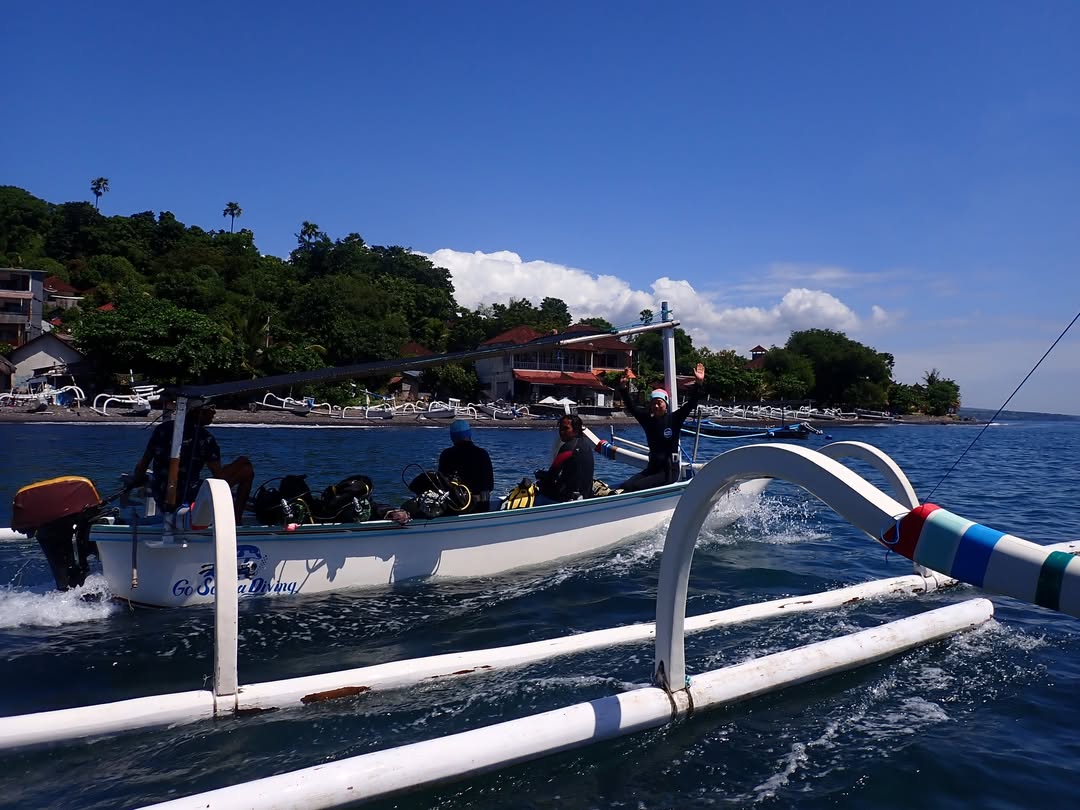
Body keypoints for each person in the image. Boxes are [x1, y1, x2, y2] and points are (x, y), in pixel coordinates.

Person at [131, 400, 254, 521]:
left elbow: (143, 464)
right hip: (184, 496)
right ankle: (237, 519)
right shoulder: (205, 439)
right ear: (197, 412)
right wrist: (240, 463)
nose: (214, 412)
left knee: (242, 464)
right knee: (246, 470)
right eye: (210, 408)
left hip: (160, 492)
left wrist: (138, 479)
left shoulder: (162, 430)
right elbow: (219, 476)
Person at [616, 362, 706, 492]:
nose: (656, 406)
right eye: (653, 403)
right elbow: (631, 407)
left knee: (636, 487)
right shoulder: (648, 420)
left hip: (669, 472)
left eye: (659, 403)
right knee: (625, 486)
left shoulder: (674, 419)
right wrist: (623, 387)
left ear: (666, 404)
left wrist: (699, 383)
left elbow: (691, 404)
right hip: (652, 469)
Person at [534, 413, 594, 504]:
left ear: (576, 430)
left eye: (566, 428)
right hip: (586, 494)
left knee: (538, 486)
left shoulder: (568, 448)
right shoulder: (586, 445)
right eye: (560, 429)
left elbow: (552, 475)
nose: (561, 432)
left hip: (569, 497)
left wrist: (540, 475)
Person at [437, 419, 495, 513]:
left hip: (455, 508)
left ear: (452, 437)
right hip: (481, 507)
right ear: (469, 434)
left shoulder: (446, 455)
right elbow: (490, 486)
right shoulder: (482, 454)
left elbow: (441, 484)